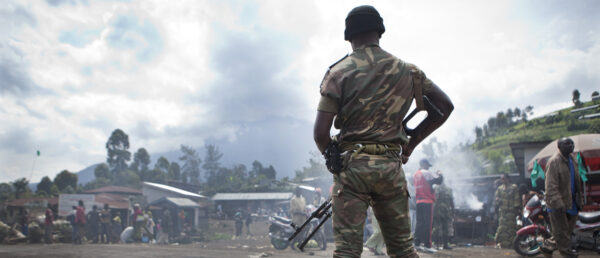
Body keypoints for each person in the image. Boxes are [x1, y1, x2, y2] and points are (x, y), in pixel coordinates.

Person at [313, 5, 454, 257]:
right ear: (380, 31)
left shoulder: (338, 73)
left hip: (352, 167)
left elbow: (320, 133)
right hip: (391, 168)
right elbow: (444, 106)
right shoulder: (409, 71)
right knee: (402, 249)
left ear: (348, 35)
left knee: (347, 251)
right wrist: (410, 144)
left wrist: (334, 159)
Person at [541, 138, 584, 258]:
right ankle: (566, 254)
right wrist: (558, 203)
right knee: (562, 232)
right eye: (566, 143)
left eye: (572, 143)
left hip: (572, 202)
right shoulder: (554, 162)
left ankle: (546, 247)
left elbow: (577, 181)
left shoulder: (573, 159)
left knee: (564, 232)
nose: (570, 146)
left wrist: (580, 199)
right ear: (559, 146)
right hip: (558, 204)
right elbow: (551, 186)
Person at [413, 159, 443, 252]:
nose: (428, 167)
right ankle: (427, 245)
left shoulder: (415, 174)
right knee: (428, 224)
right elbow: (438, 181)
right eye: (427, 165)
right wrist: (440, 173)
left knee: (419, 223)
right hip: (427, 200)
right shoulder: (426, 172)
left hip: (418, 201)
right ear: (423, 164)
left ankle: (417, 244)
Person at [494, 174, 520, 248]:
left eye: (504, 179)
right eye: (501, 179)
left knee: (511, 229)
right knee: (501, 229)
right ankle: (501, 243)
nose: (502, 180)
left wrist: (517, 210)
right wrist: (497, 200)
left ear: (508, 179)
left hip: (511, 212)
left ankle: (512, 244)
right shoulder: (500, 188)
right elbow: (496, 199)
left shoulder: (513, 187)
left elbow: (516, 199)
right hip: (503, 212)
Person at [432, 180, 454, 250]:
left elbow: (434, 200)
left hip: (438, 211)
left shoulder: (435, 188)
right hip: (445, 211)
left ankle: (437, 244)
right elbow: (452, 202)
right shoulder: (449, 189)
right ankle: (444, 244)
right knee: (445, 228)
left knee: (437, 228)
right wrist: (453, 211)